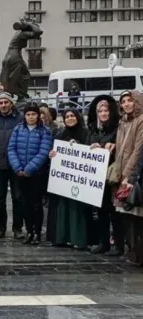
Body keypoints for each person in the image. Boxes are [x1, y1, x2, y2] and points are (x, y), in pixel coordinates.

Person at [8, 103, 52, 245]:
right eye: (28, 114)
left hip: (37, 174)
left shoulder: (44, 131)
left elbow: (43, 152)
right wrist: (18, 168)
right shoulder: (18, 129)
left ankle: (37, 232)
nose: (31, 117)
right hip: (20, 173)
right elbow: (11, 149)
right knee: (25, 204)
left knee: (36, 204)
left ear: (38, 115)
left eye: (33, 114)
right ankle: (29, 231)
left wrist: (30, 169)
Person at [48, 109, 90, 249]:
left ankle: (78, 239)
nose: (70, 118)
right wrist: (53, 154)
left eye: (72, 116)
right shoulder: (60, 133)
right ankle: (63, 237)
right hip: (64, 179)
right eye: (67, 117)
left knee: (77, 208)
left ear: (78, 117)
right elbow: (55, 151)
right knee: (63, 206)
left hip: (80, 178)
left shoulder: (86, 133)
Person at [86, 95, 122, 255]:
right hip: (97, 176)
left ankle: (119, 244)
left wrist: (105, 147)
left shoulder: (118, 128)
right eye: (100, 111)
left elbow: (120, 147)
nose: (103, 113)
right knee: (100, 211)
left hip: (112, 176)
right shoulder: (93, 128)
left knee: (114, 212)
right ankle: (104, 242)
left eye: (106, 110)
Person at [0, 92, 24, 239]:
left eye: (6, 102)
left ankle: (18, 228)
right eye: (0, 103)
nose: (3, 105)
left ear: (11, 103)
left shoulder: (21, 119)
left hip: (16, 165)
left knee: (18, 198)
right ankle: (0, 227)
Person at [113, 91, 143, 264]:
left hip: (133, 175)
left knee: (136, 215)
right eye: (123, 101)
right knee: (126, 214)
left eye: (130, 100)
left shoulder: (140, 121)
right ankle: (132, 251)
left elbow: (138, 151)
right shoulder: (123, 121)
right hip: (122, 173)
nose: (126, 104)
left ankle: (137, 253)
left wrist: (128, 176)